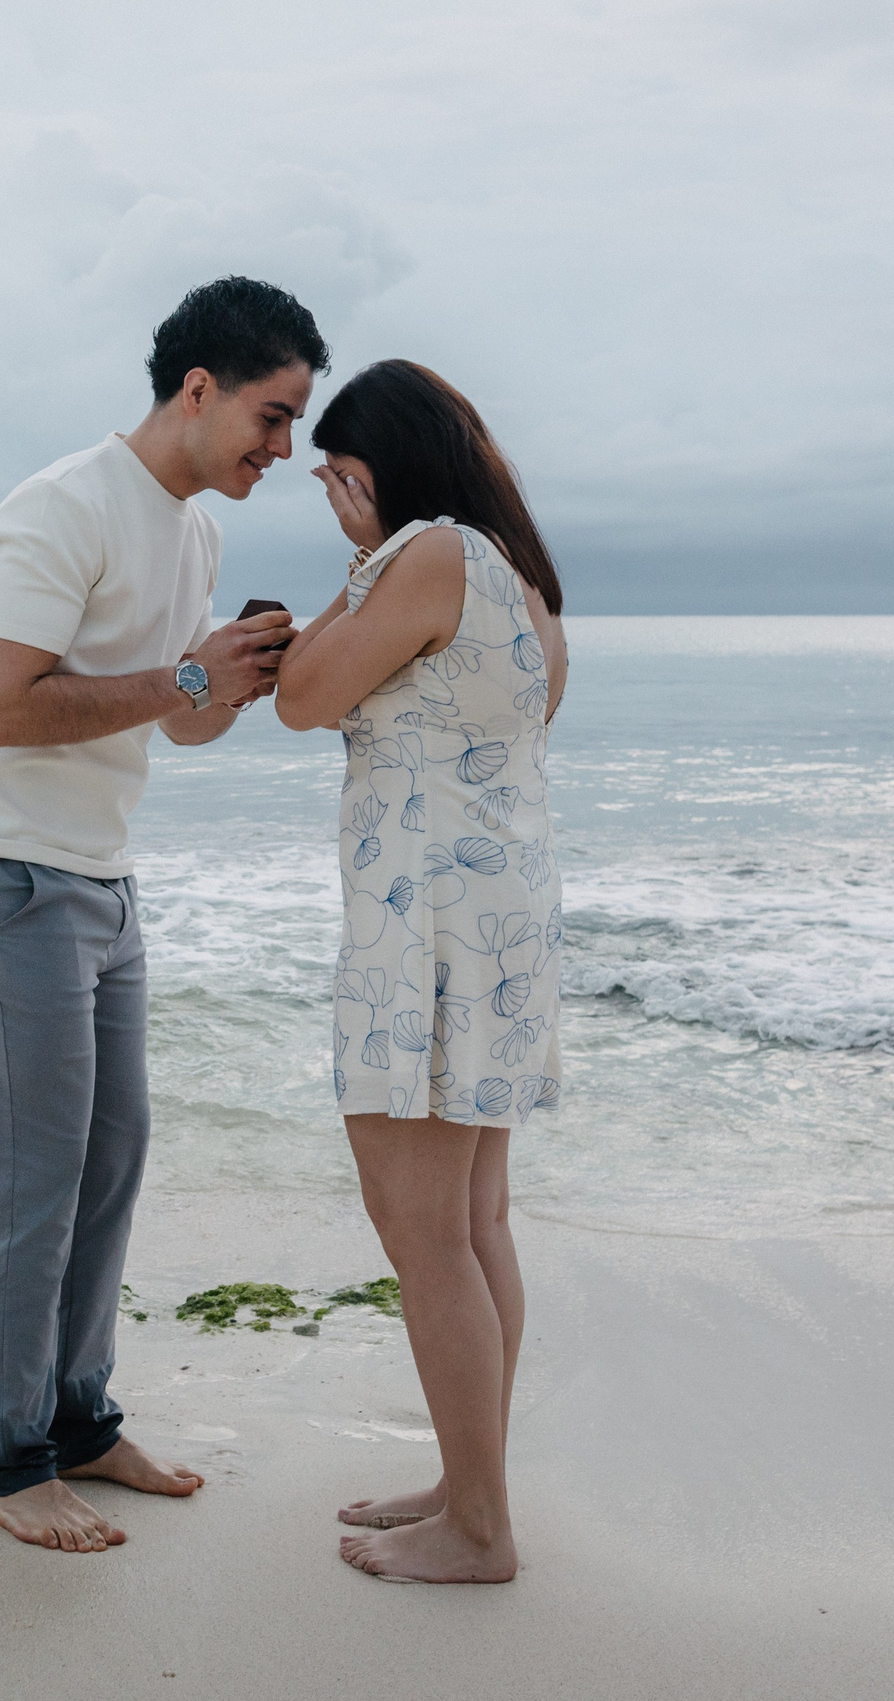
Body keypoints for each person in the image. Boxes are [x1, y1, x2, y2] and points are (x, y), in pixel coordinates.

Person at [0, 276, 327, 1553]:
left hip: (99, 874)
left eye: (298, 423)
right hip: (2, 872)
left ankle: (81, 1424)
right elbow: (7, 707)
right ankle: (7, 1460)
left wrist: (228, 680)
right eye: (271, 414)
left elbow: (175, 714)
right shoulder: (59, 504)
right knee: (31, 1179)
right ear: (197, 389)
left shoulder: (193, 528)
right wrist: (183, 674)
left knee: (111, 1161)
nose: (283, 449)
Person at [274, 359, 570, 1585]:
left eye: (338, 475)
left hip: (424, 932)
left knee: (420, 1228)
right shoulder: (525, 584)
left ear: (377, 466)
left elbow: (300, 697)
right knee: (474, 1220)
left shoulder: (427, 553)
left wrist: (355, 558)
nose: (334, 498)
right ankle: (469, 1481)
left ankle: (481, 1529)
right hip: (495, 922)